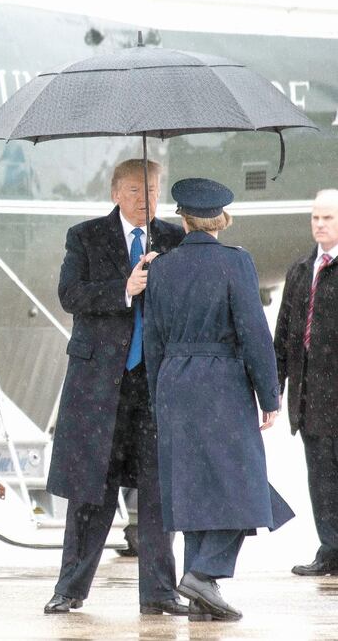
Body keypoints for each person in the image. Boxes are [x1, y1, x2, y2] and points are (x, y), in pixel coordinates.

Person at [144, 178, 294, 622]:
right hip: (222, 383)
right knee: (245, 486)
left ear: (184, 219)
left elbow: (153, 340)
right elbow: (254, 333)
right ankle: (204, 573)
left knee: (195, 490)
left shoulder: (162, 267)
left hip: (174, 382)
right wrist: (269, 393)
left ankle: (201, 598)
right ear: (221, 218)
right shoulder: (236, 262)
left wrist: (158, 395)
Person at [44, 158, 186, 616]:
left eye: (152, 191)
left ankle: (160, 592)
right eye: (135, 191)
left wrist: (162, 281)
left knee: (157, 489)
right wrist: (124, 288)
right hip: (100, 385)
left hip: (154, 384)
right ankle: (69, 588)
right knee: (92, 487)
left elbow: (186, 302)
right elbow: (70, 295)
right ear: (115, 194)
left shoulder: (174, 240)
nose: (145, 200)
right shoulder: (85, 236)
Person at [275, 189, 338, 577]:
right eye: (315, 217)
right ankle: (331, 549)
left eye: (328, 218)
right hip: (311, 398)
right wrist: (273, 387)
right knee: (322, 479)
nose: (319, 224)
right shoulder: (300, 271)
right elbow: (284, 335)